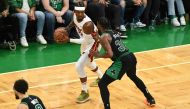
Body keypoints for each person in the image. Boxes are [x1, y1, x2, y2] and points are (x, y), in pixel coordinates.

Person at [90, 17, 155, 109]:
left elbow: (110, 53)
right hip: (131, 56)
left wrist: (97, 55)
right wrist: (98, 38)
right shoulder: (114, 32)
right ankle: (150, 98)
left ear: (99, 25)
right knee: (133, 76)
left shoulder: (104, 36)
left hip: (122, 61)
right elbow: (110, 42)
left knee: (102, 84)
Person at [64, 2, 103, 103]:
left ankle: (85, 92)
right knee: (88, 63)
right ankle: (101, 77)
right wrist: (67, 28)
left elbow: (83, 41)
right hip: (86, 41)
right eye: (78, 12)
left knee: (79, 65)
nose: (80, 14)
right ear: (75, 12)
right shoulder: (75, 16)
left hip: (94, 44)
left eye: (82, 12)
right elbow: (74, 21)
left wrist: (69, 40)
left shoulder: (87, 24)